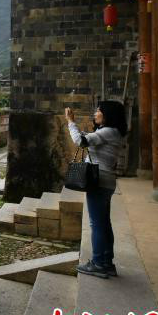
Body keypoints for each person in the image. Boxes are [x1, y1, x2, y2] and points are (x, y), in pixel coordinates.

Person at [65, 101, 127, 279]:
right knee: (104, 223)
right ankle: (107, 262)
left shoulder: (108, 131)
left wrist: (71, 121)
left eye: (99, 110)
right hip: (106, 181)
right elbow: (90, 138)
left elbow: (80, 141)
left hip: (99, 181)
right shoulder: (111, 132)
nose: (96, 112)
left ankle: (98, 263)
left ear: (108, 114)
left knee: (97, 224)